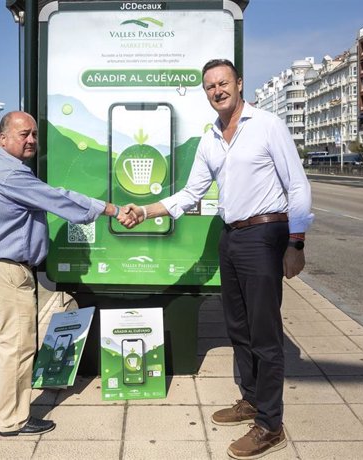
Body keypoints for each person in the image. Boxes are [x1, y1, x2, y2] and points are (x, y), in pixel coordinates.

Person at [124, 59, 313, 459]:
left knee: (265, 334)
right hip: (231, 238)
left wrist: (296, 242)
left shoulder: (266, 125)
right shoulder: (209, 138)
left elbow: (297, 185)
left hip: (265, 234)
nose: (217, 91)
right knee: (239, 329)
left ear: (239, 83)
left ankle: (270, 424)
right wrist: (145, 210)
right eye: (210, 86)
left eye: (223, 83)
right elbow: (189, 193)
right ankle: (250, 400)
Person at [0, 111, 134, 437]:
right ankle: (13, 420)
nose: (31, 140)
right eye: (23, 134)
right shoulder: (11, 175)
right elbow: (59, 199)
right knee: (18, 347)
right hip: (8, 274)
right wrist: (110, 209)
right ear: (3, 138)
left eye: (34, 134)